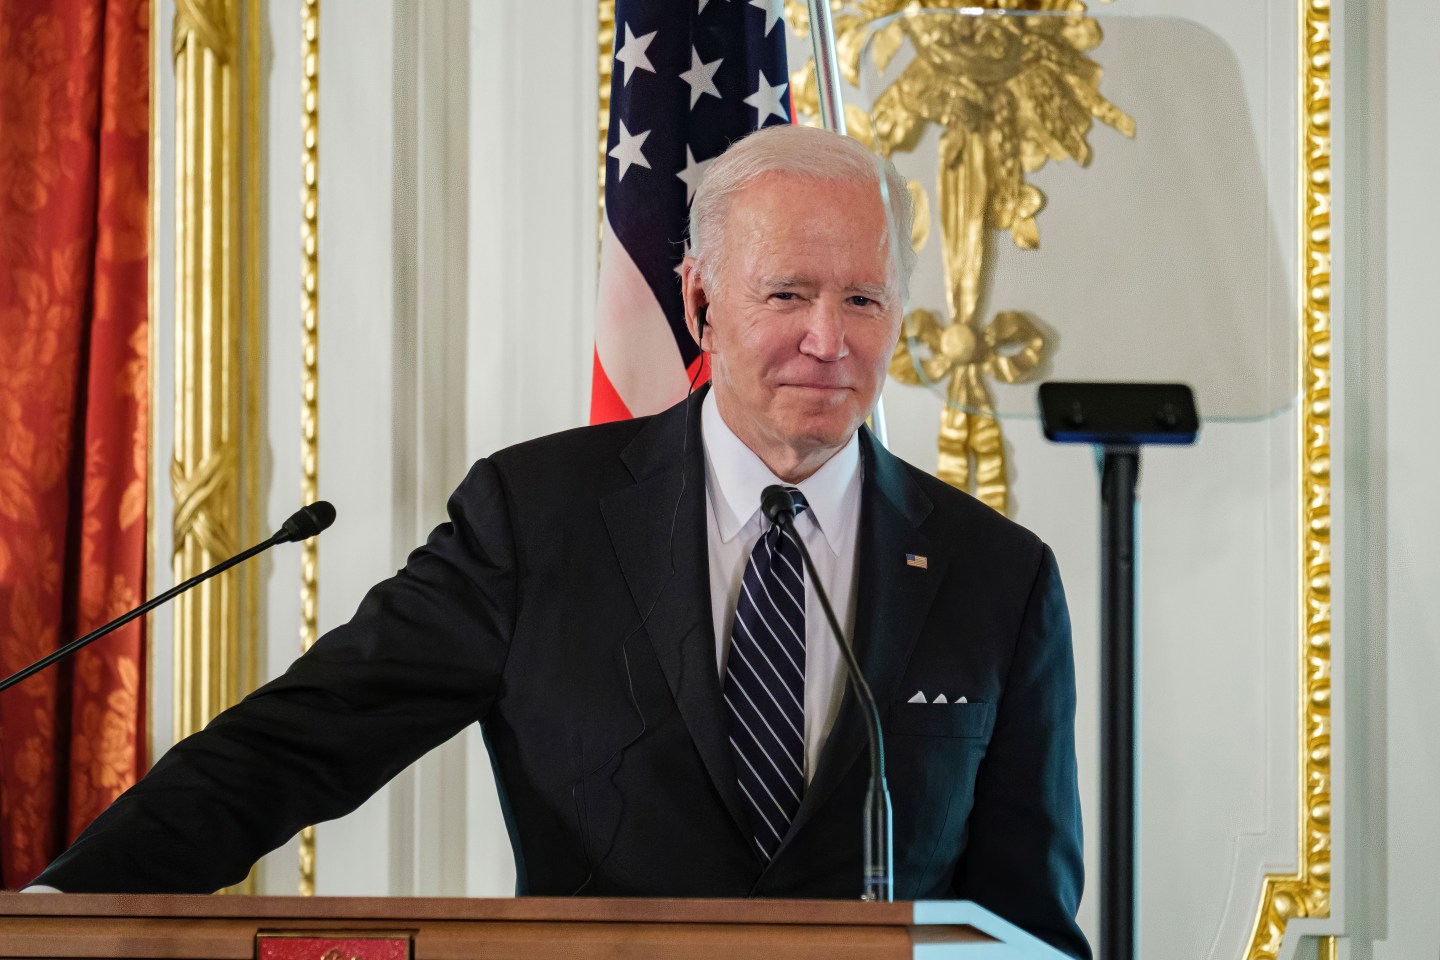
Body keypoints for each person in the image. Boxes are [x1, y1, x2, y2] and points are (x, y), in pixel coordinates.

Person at [31, 125, 1088, 960]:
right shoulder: (537, 520)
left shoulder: (999, 577)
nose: (829, 339)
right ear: (699, 300)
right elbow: (301, 744)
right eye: (787, 295)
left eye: (862, 298)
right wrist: (58, 913)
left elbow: (1028, 920)